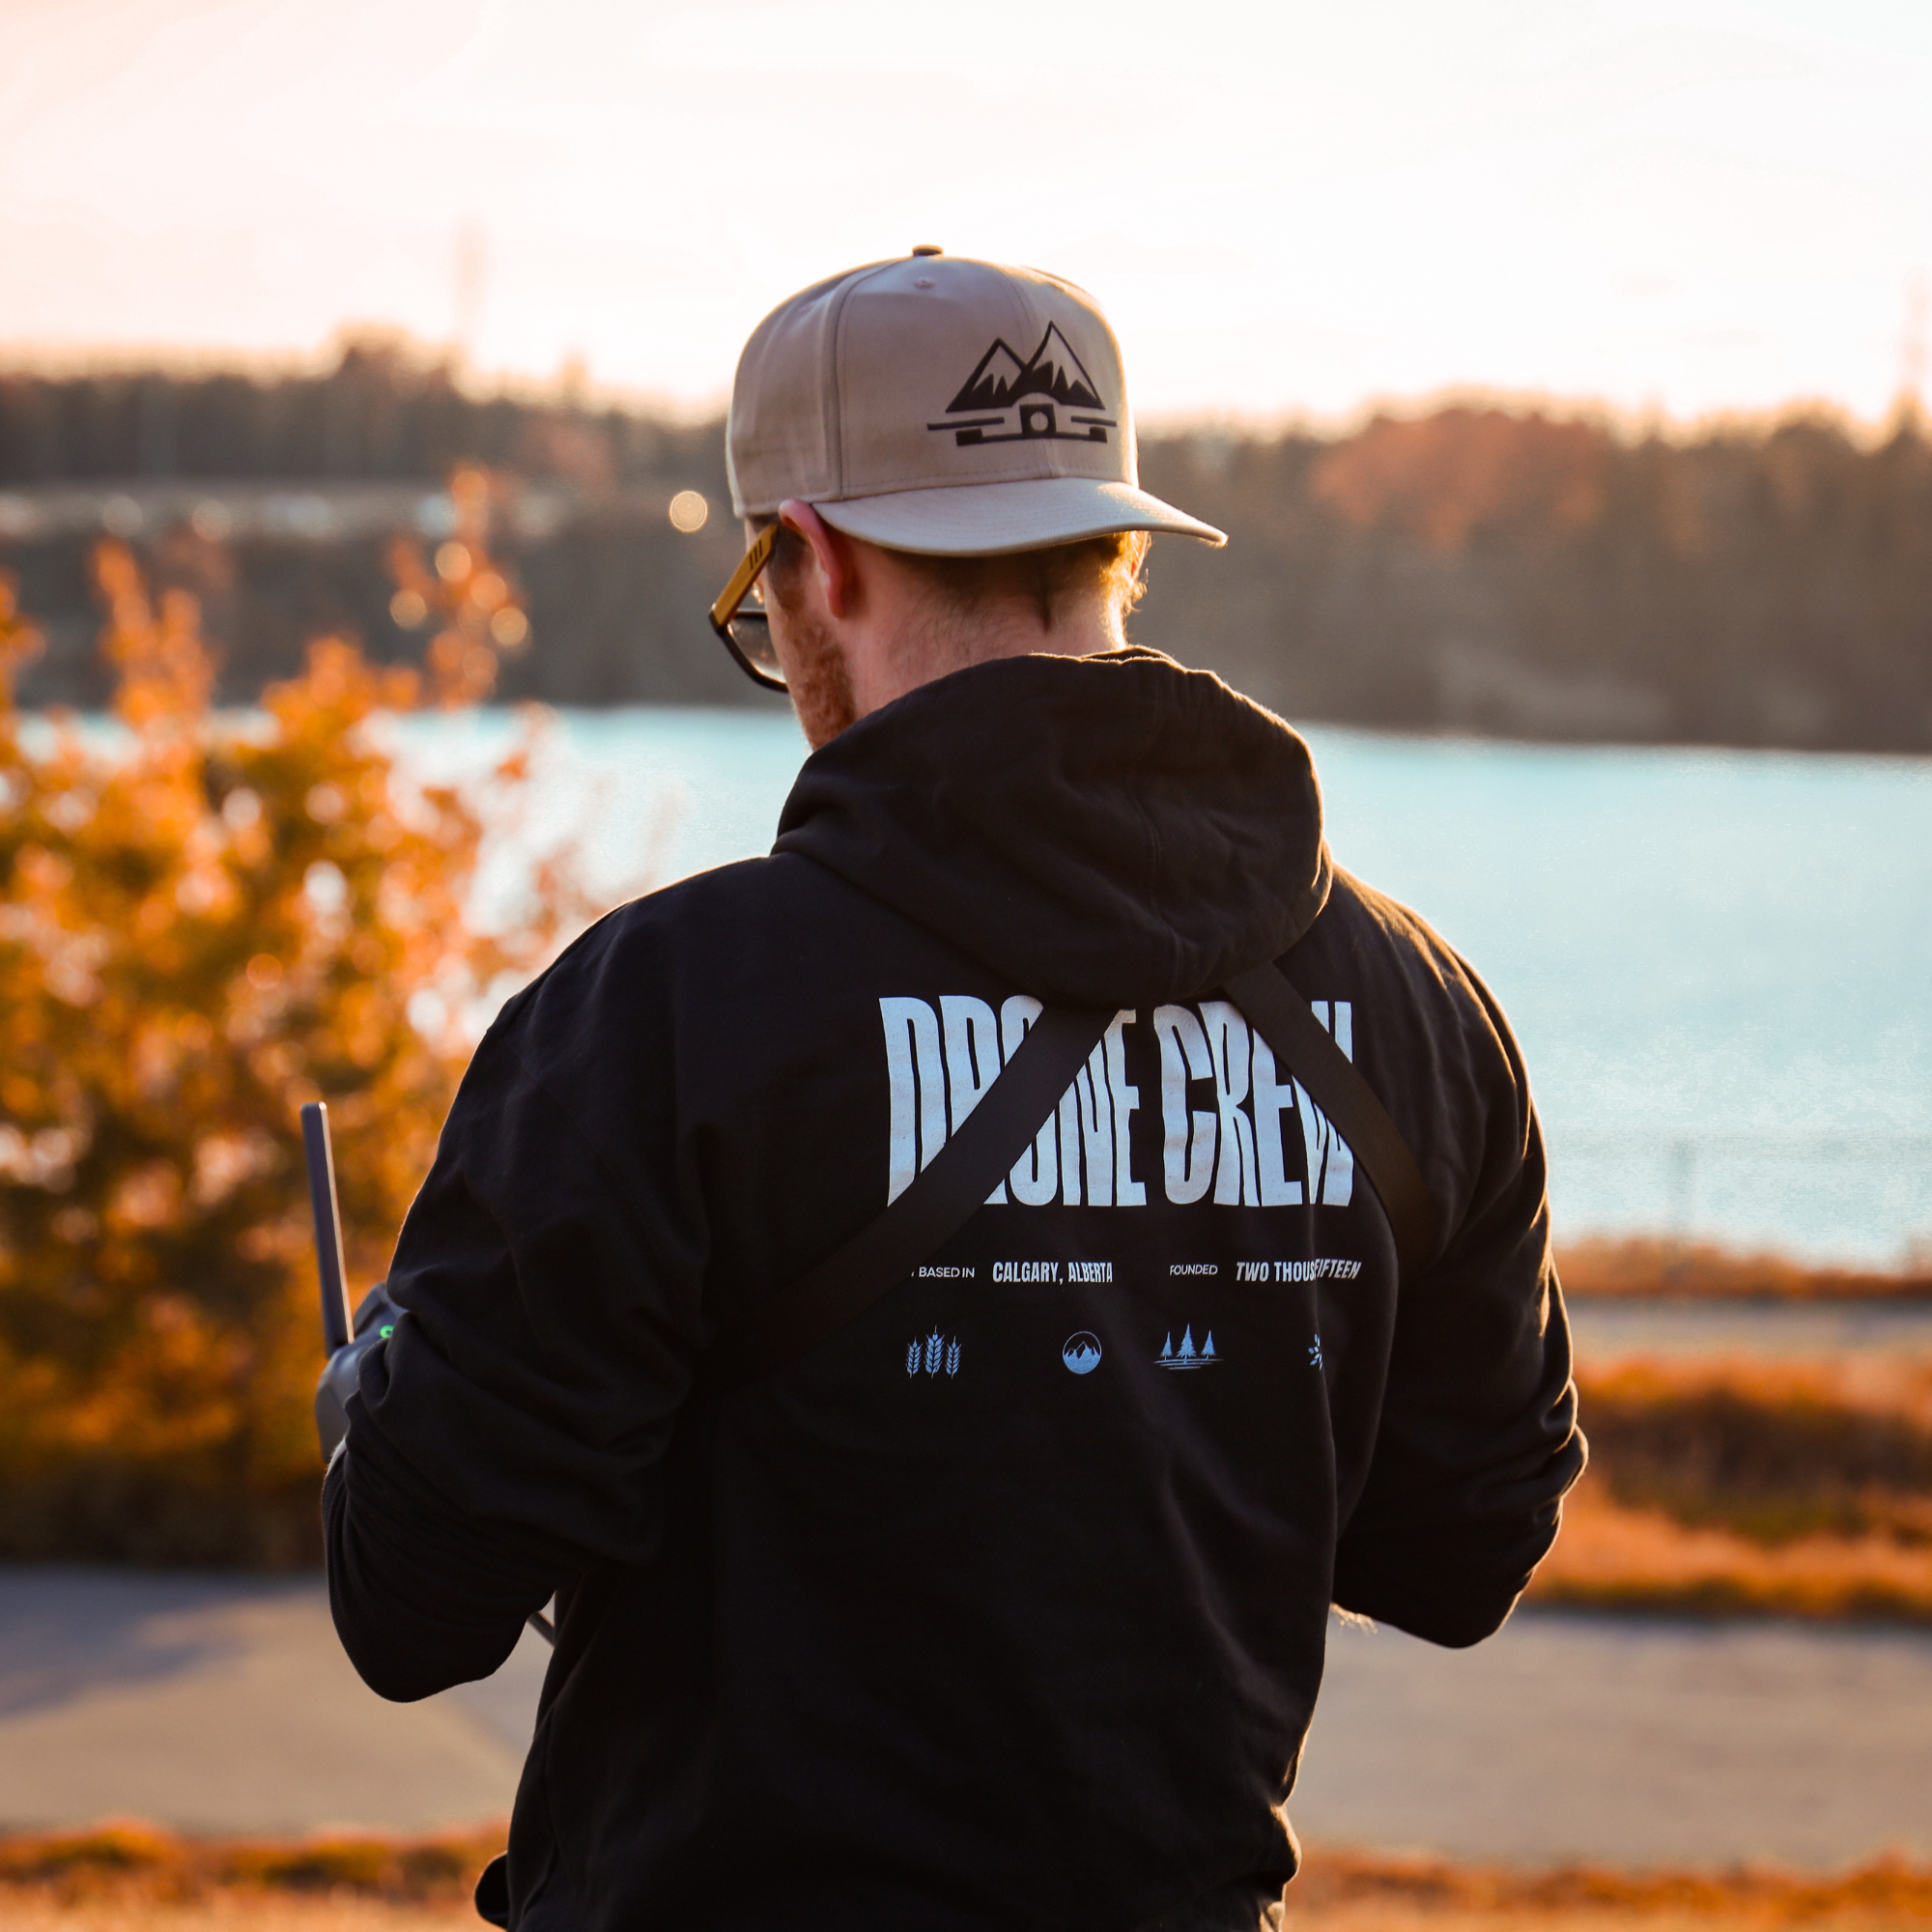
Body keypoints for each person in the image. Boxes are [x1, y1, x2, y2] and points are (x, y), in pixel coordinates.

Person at [327, 251, 1584, 1932]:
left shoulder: (664, 1015)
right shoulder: (1416, 1013)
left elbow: (413, 1609)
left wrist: (383, 1406)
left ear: (815, 559)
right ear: (1114, 545)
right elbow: (1460, 1555)